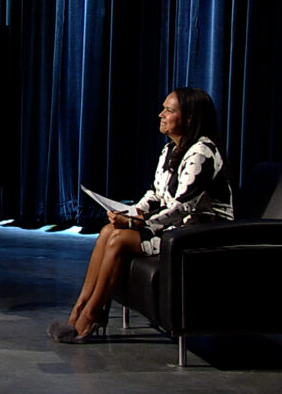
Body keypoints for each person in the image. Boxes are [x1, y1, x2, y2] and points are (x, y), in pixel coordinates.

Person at [49, 87, 234, 343]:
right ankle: (79, 309)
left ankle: (91, 316)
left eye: (169, 110)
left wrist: (138, 223)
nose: (161, 115)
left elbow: (182, 206)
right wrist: (129, 212)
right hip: (177, 227)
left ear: (190, 118)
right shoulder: (170, 150)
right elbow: (155, 195)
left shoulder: (201, 152)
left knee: (120, 239)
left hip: (201, 233)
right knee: (108, 231)